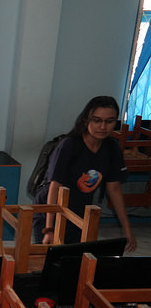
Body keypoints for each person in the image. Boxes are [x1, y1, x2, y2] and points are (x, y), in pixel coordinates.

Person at [33, 95, 136, 251]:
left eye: (109, 121)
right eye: (97, 120)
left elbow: (114, 189)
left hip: (79, 211)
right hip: (50, 209)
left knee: (75, 258)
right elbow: (54, 187)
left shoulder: (112, 147)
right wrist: (49, 229)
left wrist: (127, 229)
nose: (103, 127)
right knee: (47, 258)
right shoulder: (69, 145)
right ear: (86, 119)